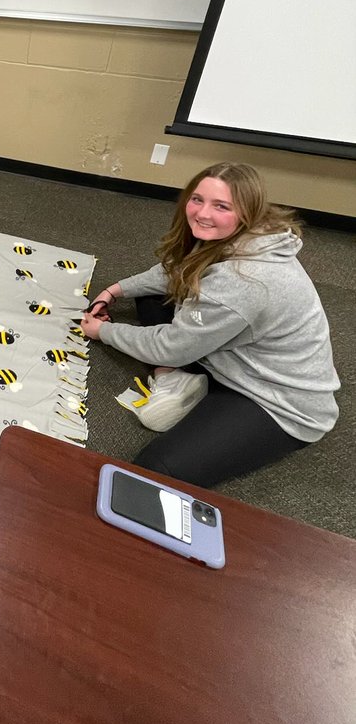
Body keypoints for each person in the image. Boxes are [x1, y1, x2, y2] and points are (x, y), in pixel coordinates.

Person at [80, 163, 338, 488]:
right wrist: (115, 290)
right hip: (235, 355)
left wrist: (101, 332)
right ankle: (172, 380)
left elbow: (169, 346)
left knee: (151, 473)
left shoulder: (242, 281)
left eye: (221, 206)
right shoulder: (242, 234)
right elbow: (175, 271)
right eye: (197, 199)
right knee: (151, 297)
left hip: (275, 401)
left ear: (247, 211)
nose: (202, 214)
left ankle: (178, 377)